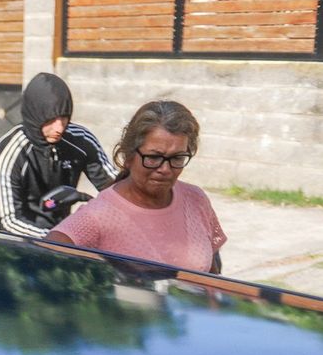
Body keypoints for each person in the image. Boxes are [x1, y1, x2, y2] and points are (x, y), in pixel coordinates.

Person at [48, 99, 225, 273]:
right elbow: (49, 254)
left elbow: (213, 277)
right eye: (154, 157)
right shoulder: (101, 215)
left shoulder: (196, 200)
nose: (165, 169)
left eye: (177, 158)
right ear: (129, 155)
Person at [0, 72, 118, 239]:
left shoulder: (82, 140)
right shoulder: (9, 153)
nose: (59, 128)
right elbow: (9, 220)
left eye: (64, 118)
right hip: (13, 243)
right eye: (50, 119)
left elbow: (116, 188)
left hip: (61, 234)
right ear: (35, 116)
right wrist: (59, 240)